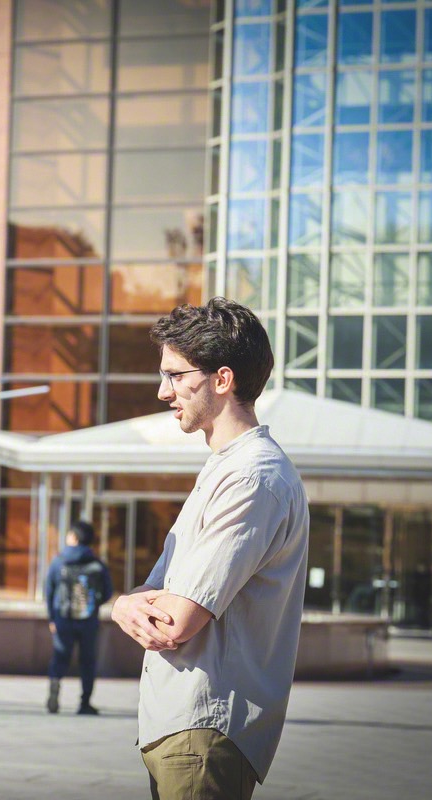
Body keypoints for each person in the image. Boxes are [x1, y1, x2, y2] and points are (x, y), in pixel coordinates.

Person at [111, 298, 309, 800]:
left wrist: (127, 606)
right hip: (185, 728)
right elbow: (157, 591)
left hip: (204, 728)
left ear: (223, 380)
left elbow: (174, 620)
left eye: (177, 376)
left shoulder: (251, 477)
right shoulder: (226, 467)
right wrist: (126, 603)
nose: (164, 391)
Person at [44, 518, 113, 715]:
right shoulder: (98, 564)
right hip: (88, 621)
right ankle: (85, 702)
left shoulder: (58, 562)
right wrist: (93, 604)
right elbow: (107, 591)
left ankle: (54, 691)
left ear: (73, 537)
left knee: (60, 657)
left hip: (63, 618)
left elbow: (49, 591)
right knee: (87, 661)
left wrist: (52, 618)